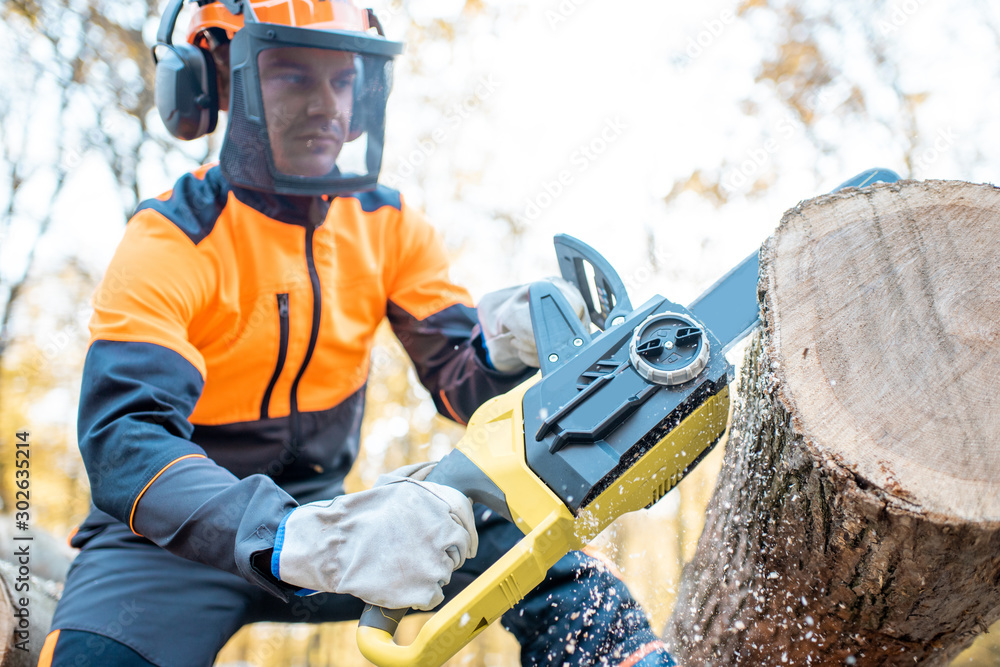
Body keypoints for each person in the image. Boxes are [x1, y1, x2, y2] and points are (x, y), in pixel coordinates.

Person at [40, 1, 678, 665]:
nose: (328, 107)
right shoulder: (171, 238)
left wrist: (501, 342)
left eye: (343, 79)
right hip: (167, 543)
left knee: (534, 542)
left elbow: (461, 383)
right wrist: (290, 535)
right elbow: (124, 439)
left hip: (332, 519)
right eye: (293, 75)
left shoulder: (388, 226)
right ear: (218, 80)